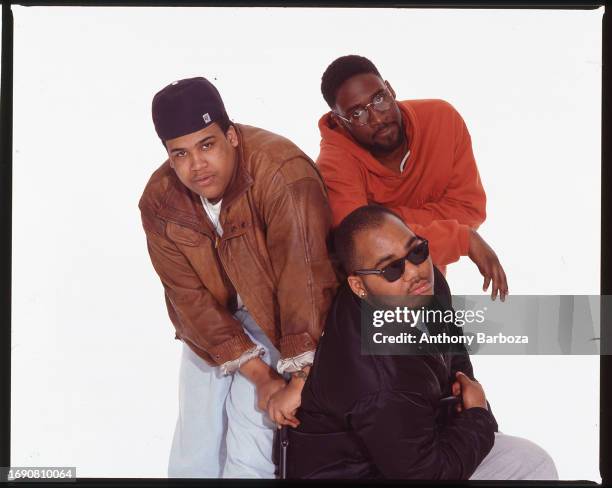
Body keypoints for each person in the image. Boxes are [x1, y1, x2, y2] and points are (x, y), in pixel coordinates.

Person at [139, 77, 338, 478]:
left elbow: (305, 280)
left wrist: (295, 377)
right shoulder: (159, 200)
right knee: (194, 447)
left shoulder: (283, 173)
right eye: (180, 154)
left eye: (207, 145)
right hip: (212, 323)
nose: (197, 166)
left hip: (281, 317)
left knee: (252, 437)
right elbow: (187, 299)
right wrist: (256, 371)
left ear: (231, 135)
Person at [287, 205, 558, 480]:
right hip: (359, 473)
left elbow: (453, 352)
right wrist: (477, 416)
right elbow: (425, 476)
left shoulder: (424, 288)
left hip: (411, 443)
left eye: (417, 251)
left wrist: (469, 405)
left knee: (533, 462)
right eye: (391, 268)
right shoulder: (379, 382)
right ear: (358, 286)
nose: (414, 271)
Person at [317, 55, 508, 300]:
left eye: (379, 99)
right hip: (371, 295)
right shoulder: (334, 164)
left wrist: (381, 217)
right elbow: (363, 246)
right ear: (339, 122)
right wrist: (460, 237)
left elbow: (469, 210)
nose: (376, 118)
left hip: (429, 281)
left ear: (390, 89)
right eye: (357, 114)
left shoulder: (442, 120)